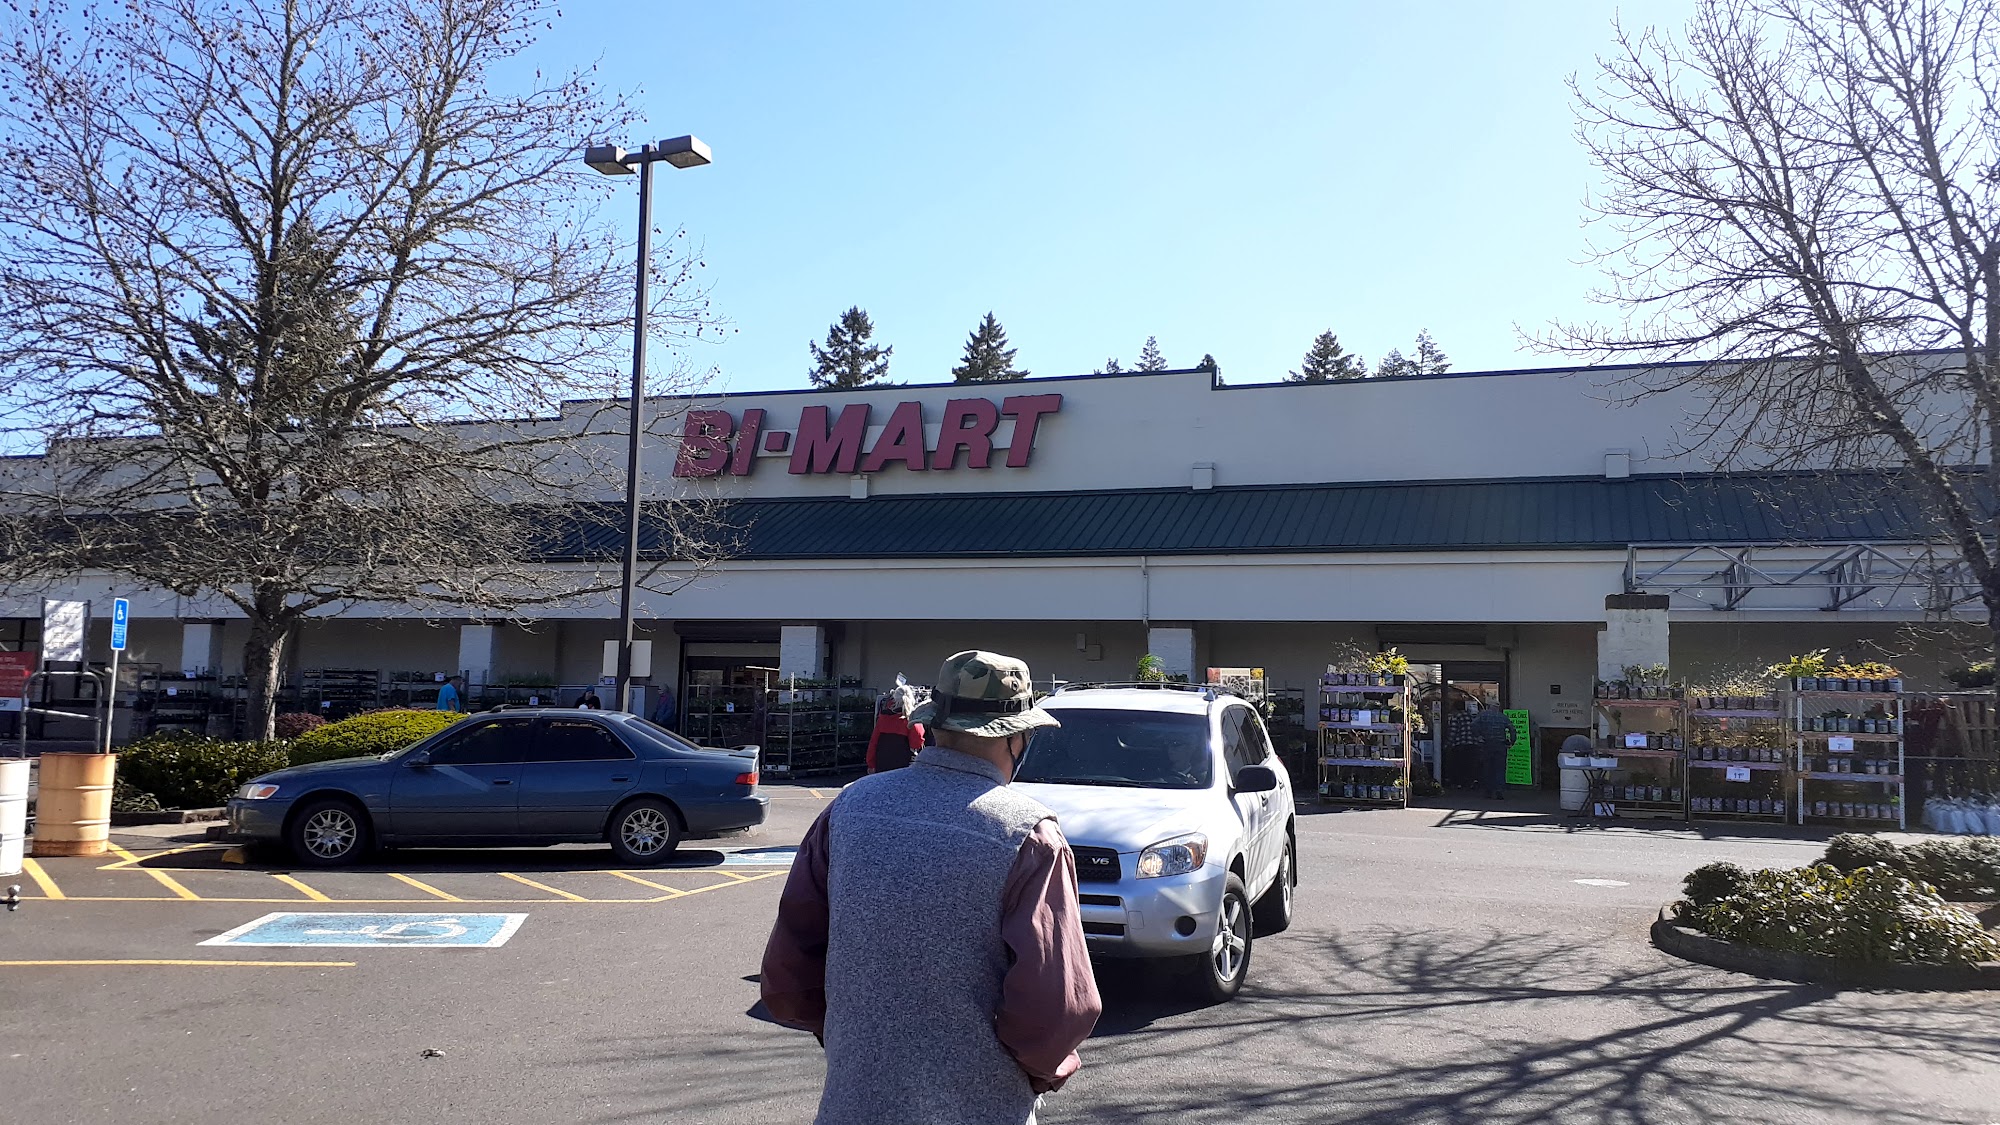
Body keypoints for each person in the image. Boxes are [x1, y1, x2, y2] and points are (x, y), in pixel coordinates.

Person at [761, 650, 1101, 1125]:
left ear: (936, 724)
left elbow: (790, 968)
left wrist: (853, 1041)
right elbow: (1059, 1006)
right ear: (1016, 738)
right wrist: (1040, 1070)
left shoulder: (850, 808)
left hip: (853, 1098)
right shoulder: (1029, 835)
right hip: (982, 1106)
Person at [863, 686, 923, 773]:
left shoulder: (883, 717)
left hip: (882, 765)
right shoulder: (912, 720)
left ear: (894, 698)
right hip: (903, 767)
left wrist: (871, 764)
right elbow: (917, 744)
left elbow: (873, 743)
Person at [1470, 702, 1514, 800]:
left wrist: (1478, 736)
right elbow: (1512, 729)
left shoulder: (1483, 715)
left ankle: (1488, 791)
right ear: (1498, 708)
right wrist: (1511, 741)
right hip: (1500, 745)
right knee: (1500, 768)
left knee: (1487, 767)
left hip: (1487, 744)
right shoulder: (1503, 717)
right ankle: (1499, 789)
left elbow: (1473, 725)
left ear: (1489, 707)